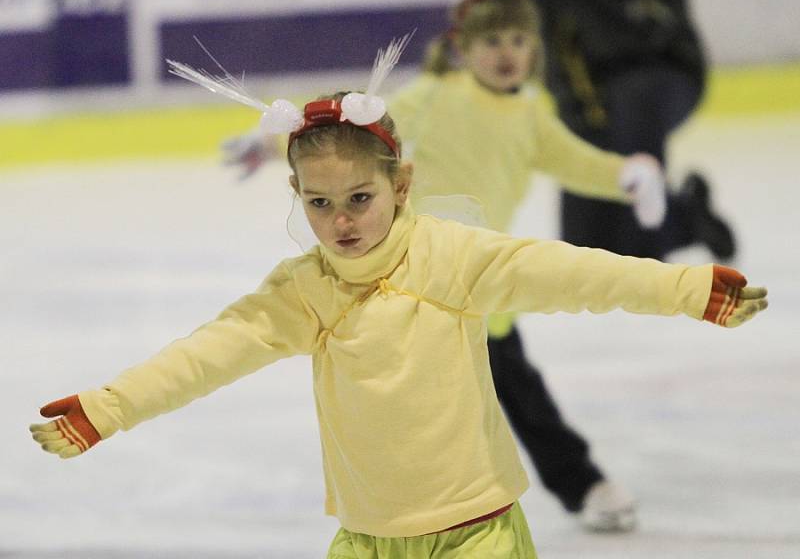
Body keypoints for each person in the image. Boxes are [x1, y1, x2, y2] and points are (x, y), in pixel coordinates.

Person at [30, 42, 767, 559]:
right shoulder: (304, 292)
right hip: (366, 541)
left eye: (360, 197)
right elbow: (206, 356)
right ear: (297, 197)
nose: (341, 220)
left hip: (476, 534)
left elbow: (574, 274)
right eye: (320, 203)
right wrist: (108, 407)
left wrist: (688, 287)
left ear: (401, 186)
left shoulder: (453, 257)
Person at [221, 0, 669, 532]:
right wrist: (269, 145)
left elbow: (574, 162)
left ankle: (580, 485)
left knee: (515, 390)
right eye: (491, 41)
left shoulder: (531, 111)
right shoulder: (434, 96)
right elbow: (351, 131)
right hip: (412, 271)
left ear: (535, 47)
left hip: (480, 280)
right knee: (443, 395)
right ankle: (419, 501)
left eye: (518, 40)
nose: (506, 53)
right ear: (462, 47)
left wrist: (627, 174)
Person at [535, 0, 736, 261]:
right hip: (587, 95)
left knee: (639, 249)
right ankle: (686, 218)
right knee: (585, 249)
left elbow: (636, 38)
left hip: (662, 73)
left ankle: (654, 229)